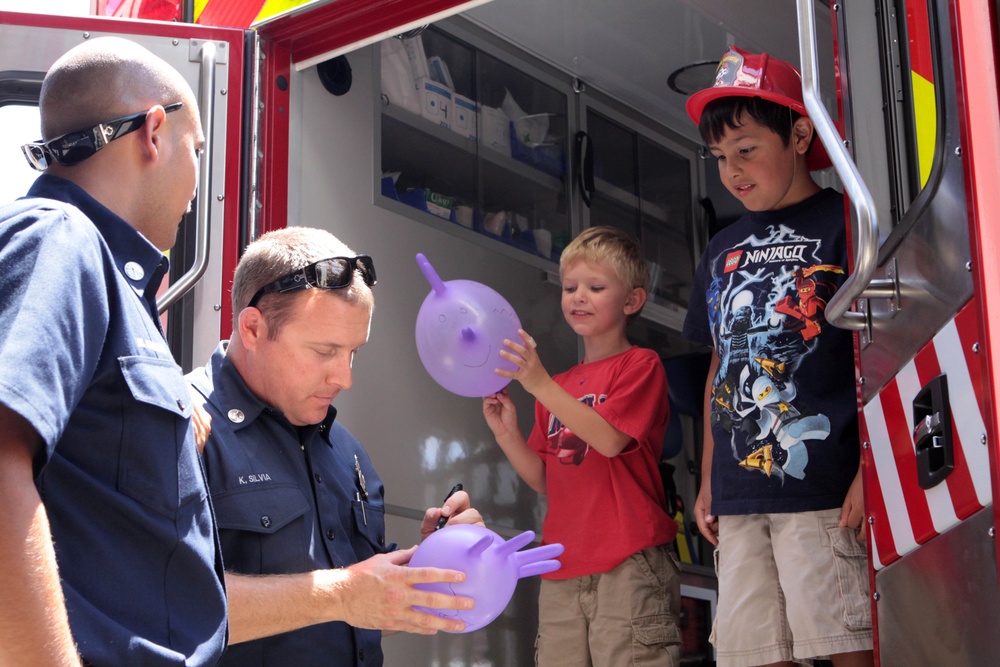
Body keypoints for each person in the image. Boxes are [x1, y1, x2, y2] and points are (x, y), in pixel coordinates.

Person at [0, 37, 227, 665]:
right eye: (197, 149)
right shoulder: (59, 238)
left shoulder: (110, 285)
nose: (197, 177)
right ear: (155, 131)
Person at [187, 226, 483, 666]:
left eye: (353, 353)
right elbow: (163, 601)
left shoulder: (347, 452)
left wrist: (435, 559)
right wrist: (341, 594)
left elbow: (363, 597)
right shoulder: (182, 424)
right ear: (252, 328)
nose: (344, 378)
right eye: (325, 351)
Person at [682, 45, 874, 667]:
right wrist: (709, 478)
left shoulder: (849, 221)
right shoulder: (721, 247)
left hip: (822, 482)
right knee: (751, 652)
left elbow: (884, 348)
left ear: (798, 134)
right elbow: (719, 366)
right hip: (737, 494)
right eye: (719, 158)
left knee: (845, 639)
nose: (732, 171)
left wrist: (872, 471)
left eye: (746, 150)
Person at [482, 225, 681, 666]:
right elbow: (543, 478)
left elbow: (610, 440)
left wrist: (538, 384)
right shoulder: (560, 386)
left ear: (631, 301)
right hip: (561, 567)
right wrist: (507, 433)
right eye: (570, 287)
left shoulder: (640, 365)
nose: (578, 297)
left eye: (595, 287)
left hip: (629, 561)